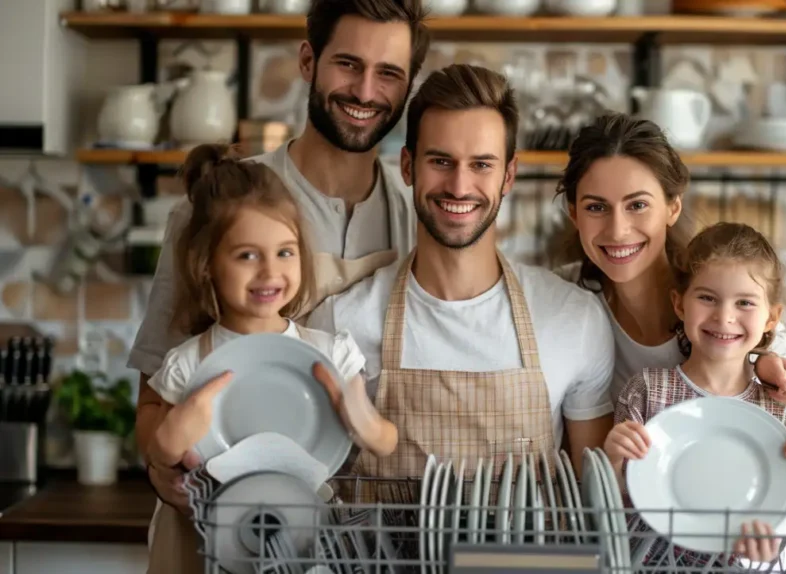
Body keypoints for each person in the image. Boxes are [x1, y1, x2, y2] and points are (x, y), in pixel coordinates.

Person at [129, 0, 429, 478]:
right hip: (214, 524)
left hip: (352, 531)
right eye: (348, 64)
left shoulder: (416, 224)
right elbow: (151, 408)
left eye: (389, 73)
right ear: (308, 61)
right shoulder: (219, 203)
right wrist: (172, 484)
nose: (366, 91)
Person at [306, 63, 616, 488]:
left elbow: (595, 508)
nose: (458, 186)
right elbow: (307, 488)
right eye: (441, 161)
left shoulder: (572, 319)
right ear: (408, 166)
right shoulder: (341, 325)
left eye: (481, 165)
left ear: (508, 175)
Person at [140, 145, 398, 574]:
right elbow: (160, 454)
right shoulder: (188, 363)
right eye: (247, 255)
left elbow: (386, 441)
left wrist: (364, 421)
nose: (269, 272)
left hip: (309, 549)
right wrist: (170, 439)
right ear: (206, 264)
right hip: (209, 548)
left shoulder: (330, 352)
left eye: (285, 251)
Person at [553, 113, 786, 426]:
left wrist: (758, 363)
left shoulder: (741, 317)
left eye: (637, 205)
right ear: (574, 214)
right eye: (596, 207)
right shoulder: (561, 298)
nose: (618, 230)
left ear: (672, 207)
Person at [603, 221, 786, 568]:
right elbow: (619, 497)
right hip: (647, 564)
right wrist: (614, 460)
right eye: (707, 298)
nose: (724, 317)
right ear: (679, 304)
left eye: (745, 303)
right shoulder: (646, 391)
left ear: (772, 317)